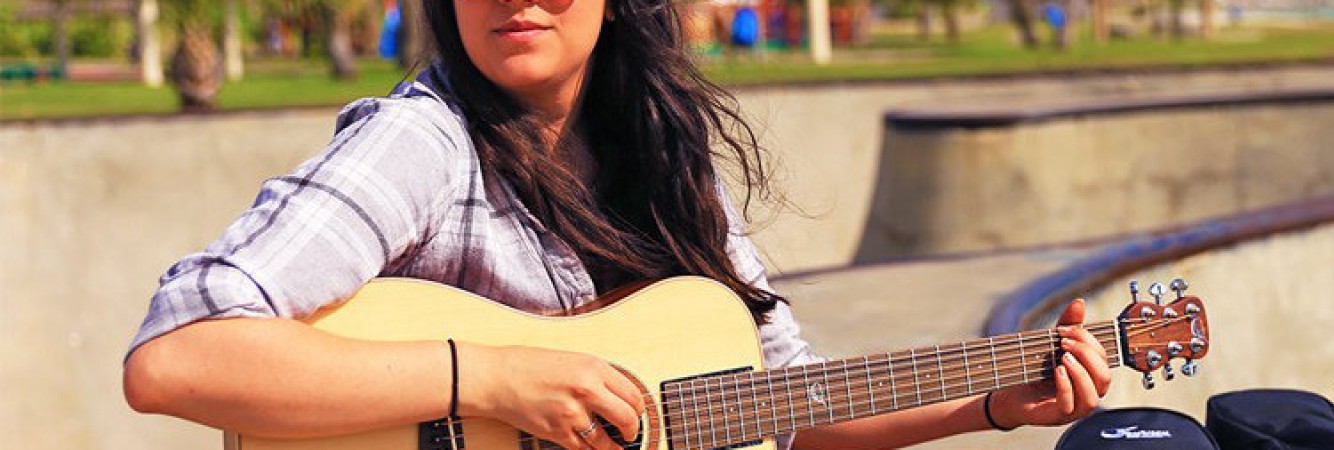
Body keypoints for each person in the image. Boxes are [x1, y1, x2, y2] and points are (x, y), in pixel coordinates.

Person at [119, 0, 1114, 448]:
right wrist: (492, 379)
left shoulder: (667, 159)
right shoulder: (423, 142)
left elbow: (783, 408)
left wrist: (991, 403)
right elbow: (178, 355)